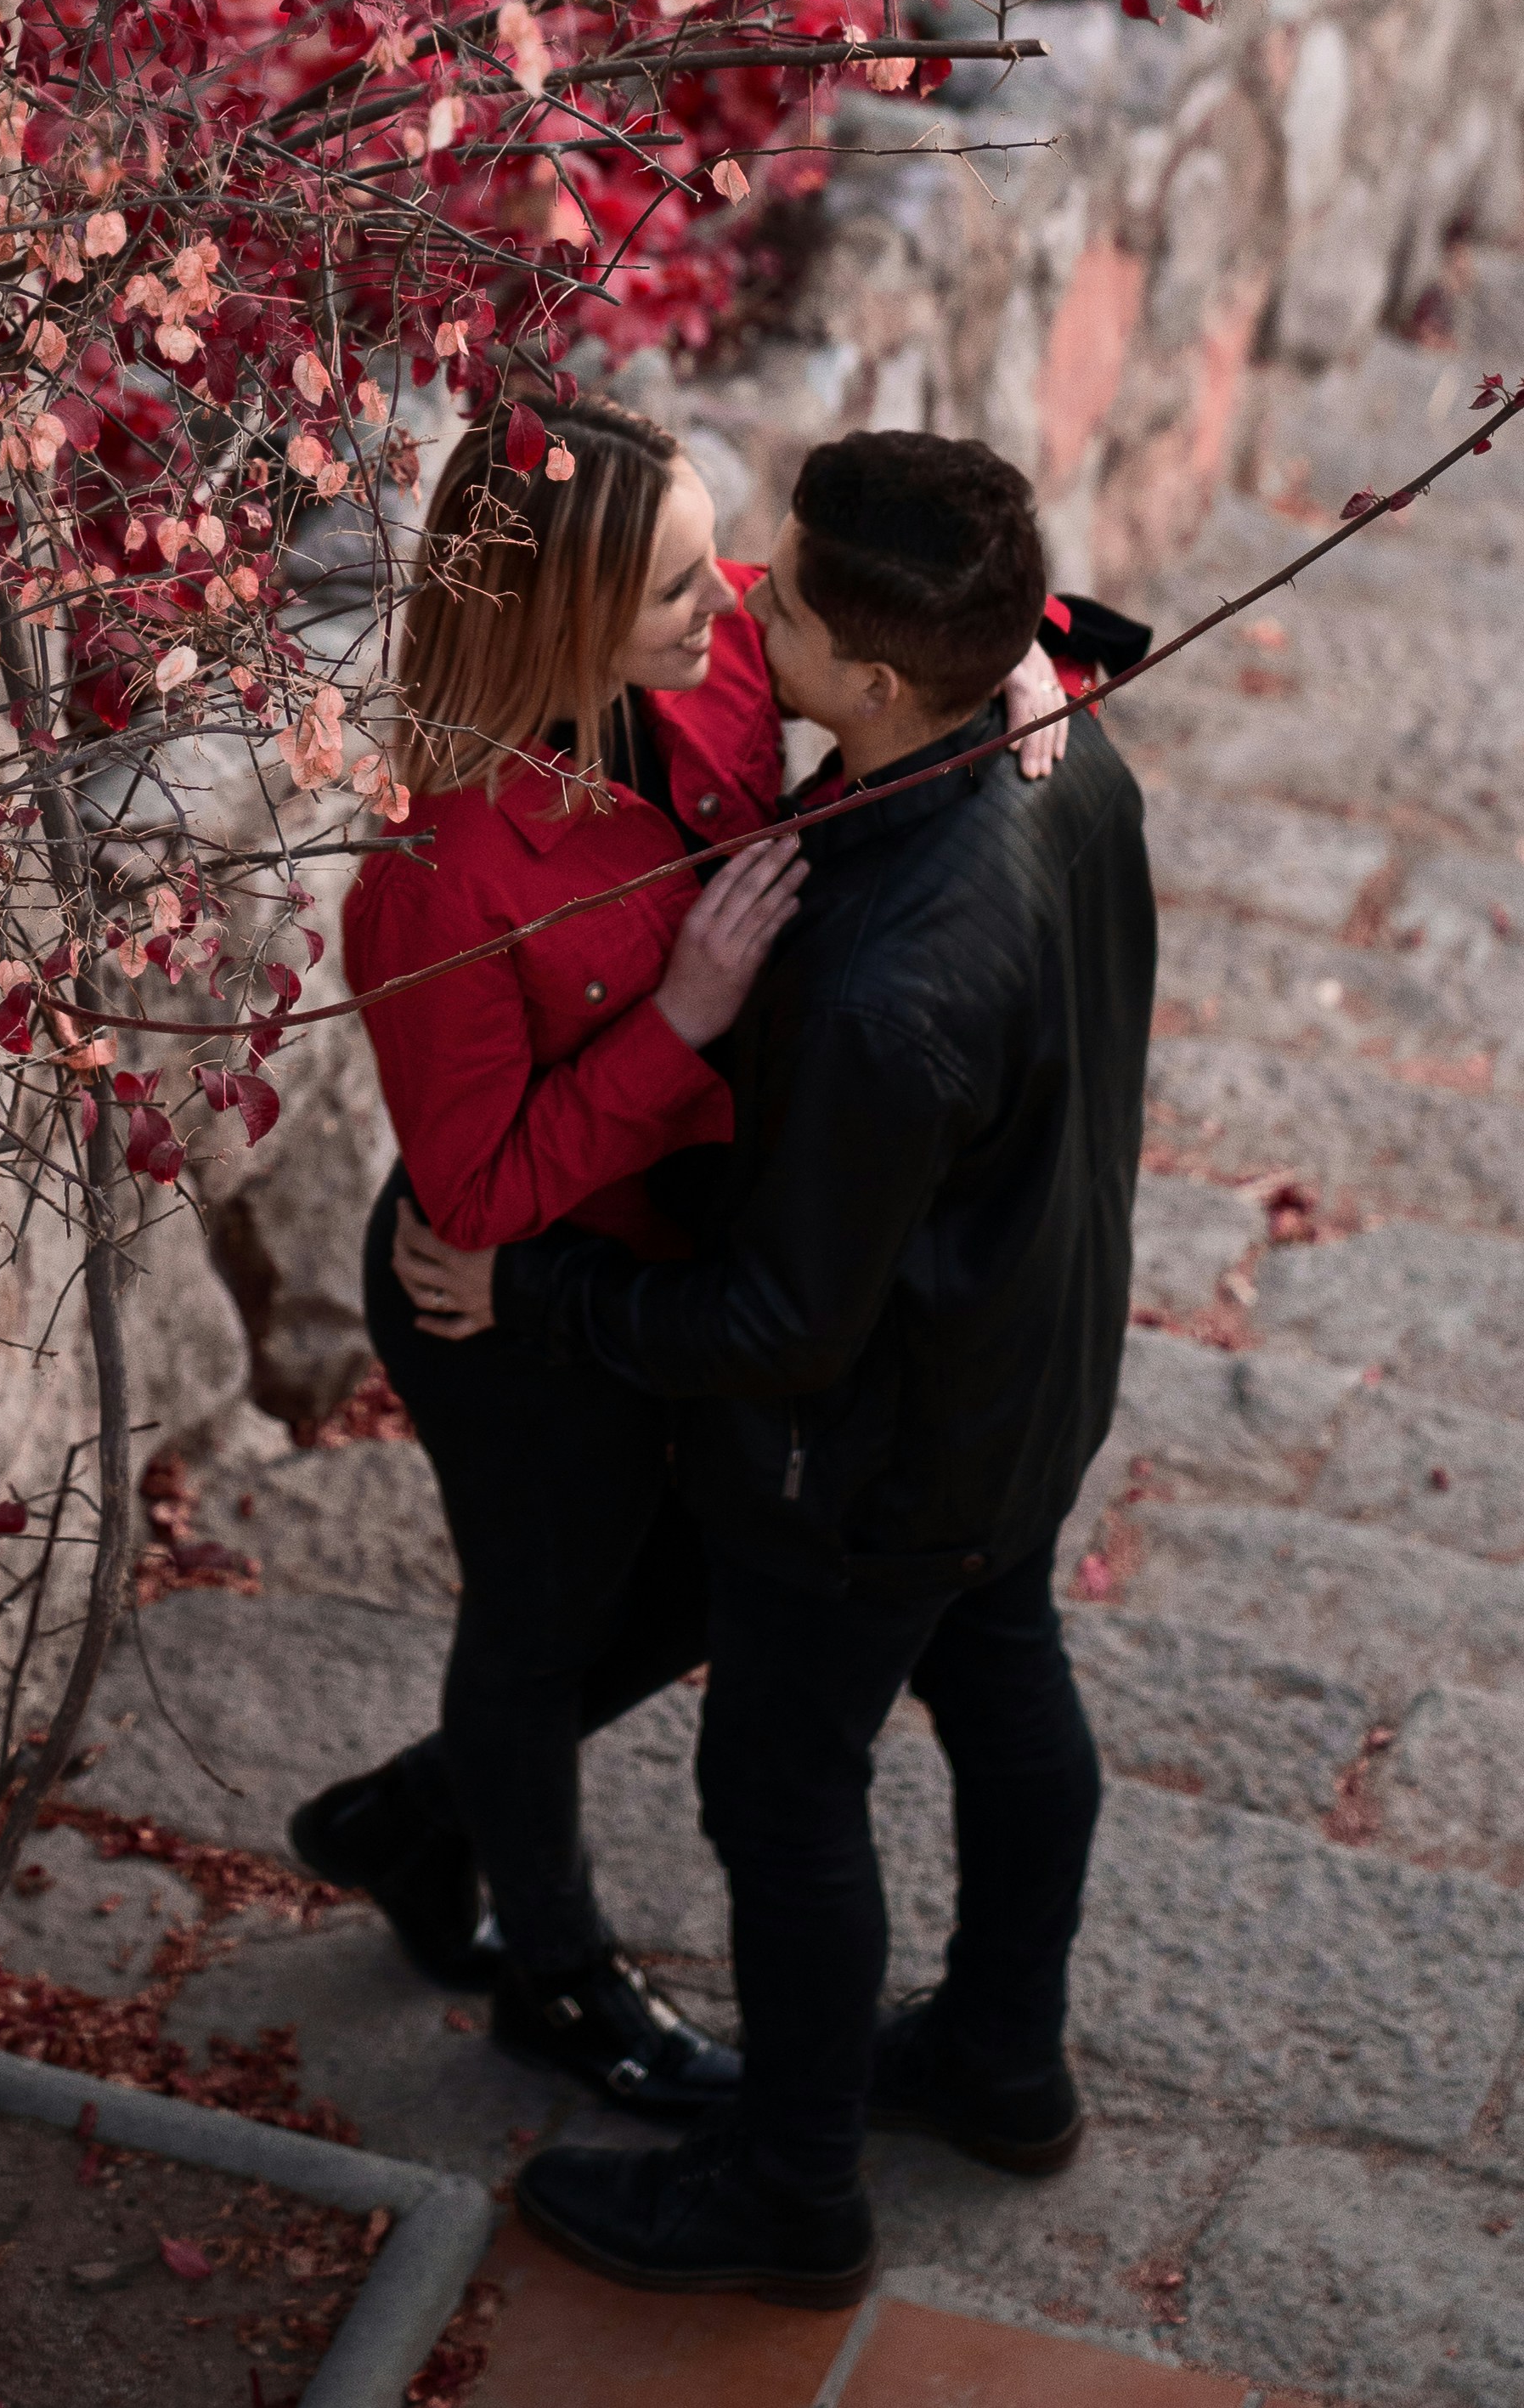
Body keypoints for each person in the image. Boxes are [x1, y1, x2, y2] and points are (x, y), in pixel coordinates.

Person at [395, 429, 1156, 2307]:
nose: (751, 600)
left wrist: (536, 1307)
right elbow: (1016, 632)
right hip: (1026, 1371)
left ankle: (791, 2198)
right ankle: (998, 2062)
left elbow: (777, 1329)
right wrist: (1042, 657)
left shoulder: (880, 987)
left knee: (783, 1796)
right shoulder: (1055, 745)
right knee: (1006, 1679)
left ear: (885, 681)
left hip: (871, 1455)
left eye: (785, 595)